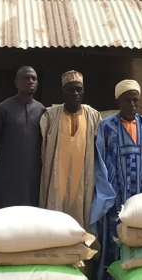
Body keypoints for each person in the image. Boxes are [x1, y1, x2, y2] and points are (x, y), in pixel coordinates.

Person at [92, 79, 142, 280]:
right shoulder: (106, 126)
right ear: (118, 101)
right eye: (127, 100)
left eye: (135, 100)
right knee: (113, 237)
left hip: (139, 193)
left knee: (137, 237)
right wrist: (106, 192)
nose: (131, 104)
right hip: (114, 194)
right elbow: (100, 161)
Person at [39, 70, 103, 230]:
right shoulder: (50, 116)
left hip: (83, 176)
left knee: (81, 215)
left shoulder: (93, 116)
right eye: (70, 89)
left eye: (79, 89)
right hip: (56, 177)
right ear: (63, 92)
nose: (75, 93)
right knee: (55, 215)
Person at [0, 66, 45, 209]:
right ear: (16, 83)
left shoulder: (42, 111)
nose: (30, 81)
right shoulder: (2, 110)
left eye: (34, 78)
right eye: (26, 78)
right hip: (6, 175)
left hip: (32, 175)